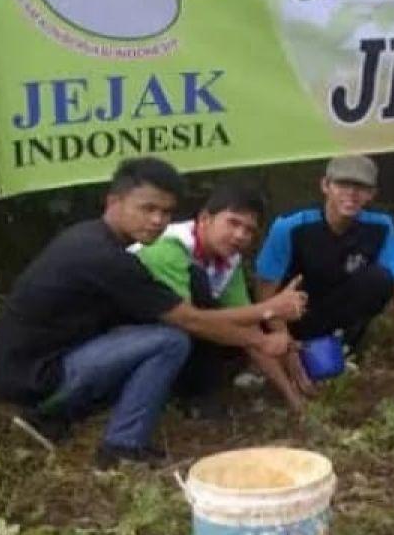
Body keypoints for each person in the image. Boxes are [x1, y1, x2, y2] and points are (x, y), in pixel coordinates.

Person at [0, 157, 307, 469]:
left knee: (155, 330)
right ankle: (121, 445)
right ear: (114, 202)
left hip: (31, 366)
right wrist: (267, 323)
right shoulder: (107, 258)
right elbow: (191, 321)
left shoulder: (92, 239)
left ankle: (63, 416)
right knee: (171, 341)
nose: (157, 220)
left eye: (165, 211)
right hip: (36, 379)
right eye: (147, 208)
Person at [132, 177, 314, 417]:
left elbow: (248, 327)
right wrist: (270, 309)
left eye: (249, 230)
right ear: (205, 219)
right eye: (233, 223)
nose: (240, 235)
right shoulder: (169, 247)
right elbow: (192, 321)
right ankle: (188, 397)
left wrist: (293, 396)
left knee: (228, 326)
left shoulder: (228, 259)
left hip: (170, 335)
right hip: (126, 334)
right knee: (200, 293)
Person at [254, 155, 394, 374]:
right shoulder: (290, 226)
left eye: (360, 187)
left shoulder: (381, 226)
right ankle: (291, 355)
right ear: (325, 186)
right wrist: (287, 347)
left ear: (371, 194)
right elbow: (264, 294)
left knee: (380, 279)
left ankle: (342, 348)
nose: (351, 193)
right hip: (290, 315)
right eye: (342, 184)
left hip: (333, 307)